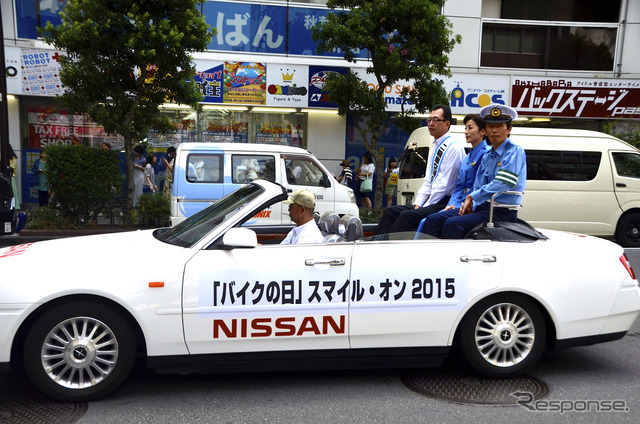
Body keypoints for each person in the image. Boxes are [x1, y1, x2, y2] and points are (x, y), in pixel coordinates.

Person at [423, 104, 526, 239]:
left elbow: (503, 183)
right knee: (434, 219)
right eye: (490, 126)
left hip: (501, 211)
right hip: (481, 208)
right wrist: (464, 205)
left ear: (509, 129)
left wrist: (472, 197)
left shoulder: (514, 151)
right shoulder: (488, 155)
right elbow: (477, 184)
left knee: (452, 224)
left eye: (499, 126)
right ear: (486, 130)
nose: (494, 131)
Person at [374, 104, 465, 235]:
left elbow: (443, 186)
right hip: (432, 200)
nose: (431, 124)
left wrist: (424, 206)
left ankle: (390, 249)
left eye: (435, 120)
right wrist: (418, 204)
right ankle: (378, 243)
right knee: (391, 212)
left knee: (407, 216)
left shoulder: (454, 147)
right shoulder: (435, 146)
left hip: (443, 202)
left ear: (447, 124)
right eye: (429, 120)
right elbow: (428, 180)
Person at [416, 113, 490, 234]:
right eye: (465, 128)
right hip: (459, 203)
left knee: (434, 220)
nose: (466, 132)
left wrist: (461, 205)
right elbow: (459, 186)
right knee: (426, 220)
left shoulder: (486, 154)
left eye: (470, 128)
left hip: (472, 204)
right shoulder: (468, 157)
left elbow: (477, 186)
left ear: (482, 132)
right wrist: (451, 204)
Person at [7, 145, 20, 210]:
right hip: (6, 177)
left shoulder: (13, 159)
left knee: (12, 193)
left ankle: (14, 206)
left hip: (11, 177)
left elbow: (11, 169)